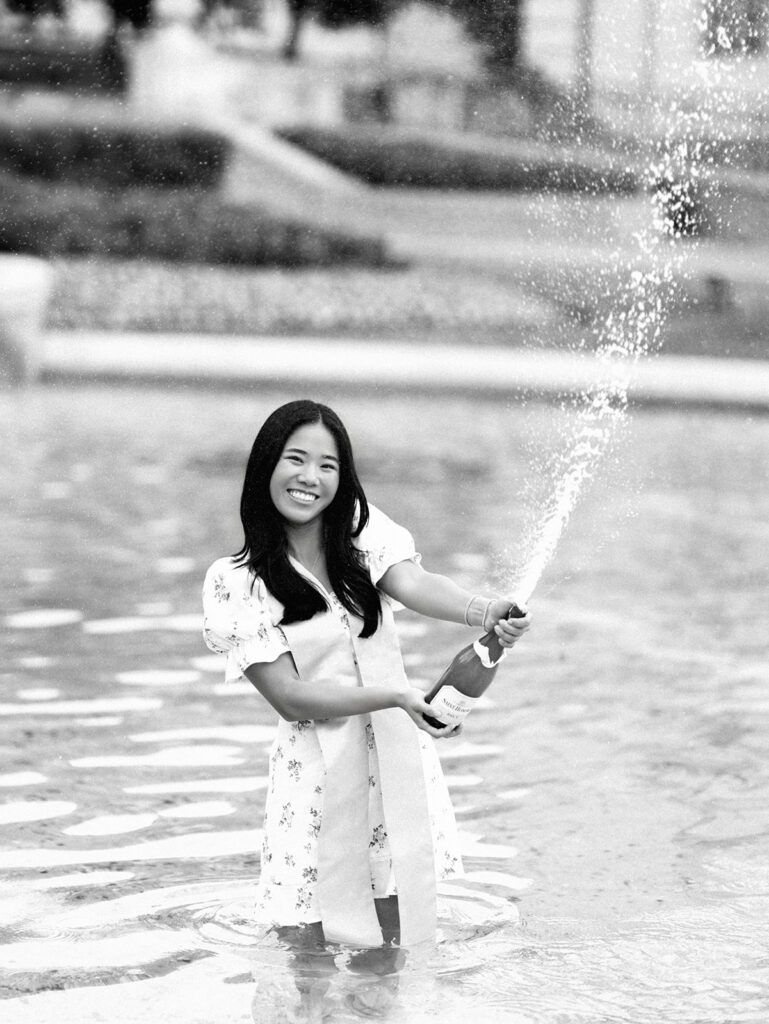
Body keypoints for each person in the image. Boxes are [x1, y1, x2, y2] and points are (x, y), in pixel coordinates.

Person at [202, 400, 530, 1011]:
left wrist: (487, 611)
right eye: (294, 459)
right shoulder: (234, 580)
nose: (310, 477)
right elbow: (290, 697)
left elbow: (414, 584)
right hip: (315, 779)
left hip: (394, 760)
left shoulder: (360, 529)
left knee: (392, 939)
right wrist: (397, 696)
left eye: (328, 465)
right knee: (306, 947)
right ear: (265, 465)